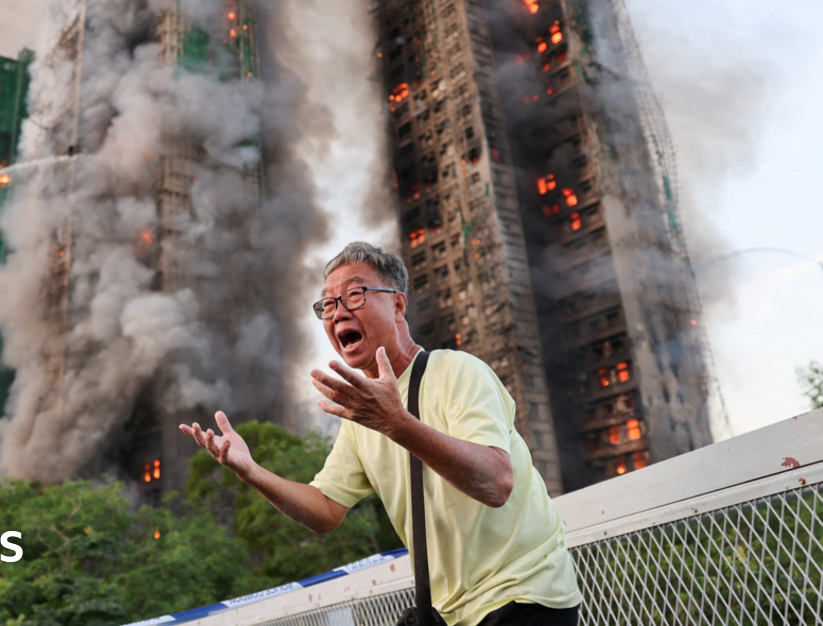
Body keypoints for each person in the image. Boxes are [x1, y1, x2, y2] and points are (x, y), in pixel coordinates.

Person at [180, 242, 582, 626]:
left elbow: (496, 483)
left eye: (354, 295)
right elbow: (324, 511)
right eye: (328, 304)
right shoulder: (361, 416)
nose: (338, 312)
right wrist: (251, 471)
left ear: (398, 304)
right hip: (448, 613)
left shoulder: (457, 371)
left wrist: (395, 422)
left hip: (523, 596)